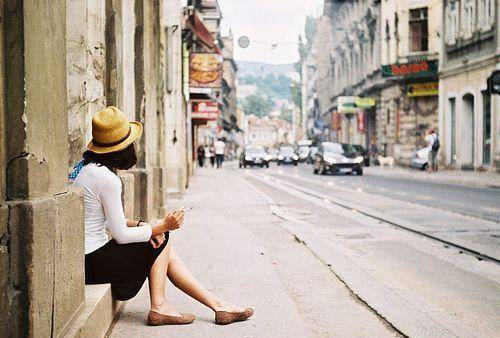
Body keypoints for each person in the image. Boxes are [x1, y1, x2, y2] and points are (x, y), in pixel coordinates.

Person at [70, 106, 253, 326]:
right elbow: (121, 235)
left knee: (159, 238)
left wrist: (143, 224)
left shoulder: (84, 168)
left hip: (85, 258)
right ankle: (160, 306)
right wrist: (162, 226)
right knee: (161, 239)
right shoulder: (108, 180)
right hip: (93, 262)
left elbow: (104, 219)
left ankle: (217, 305)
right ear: (123, 148)